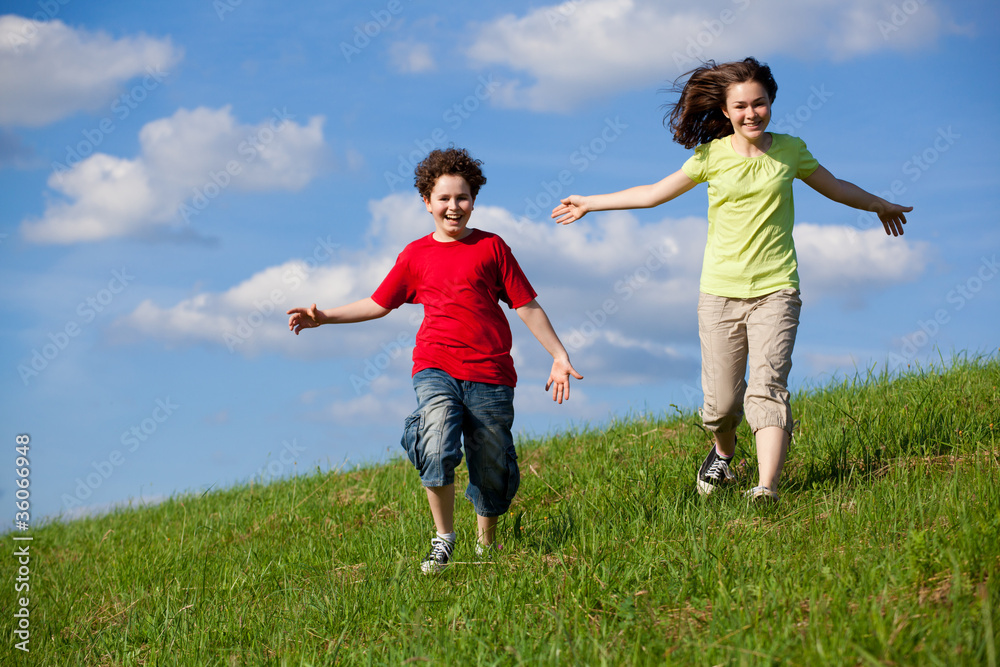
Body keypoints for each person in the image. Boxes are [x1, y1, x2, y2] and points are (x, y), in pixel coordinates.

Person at [551, 57, 911, 504]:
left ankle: (766, 487)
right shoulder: (711, 156)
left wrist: (879, 204)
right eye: (740, 106)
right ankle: (723, 450)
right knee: (720, 406)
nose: (751, 113)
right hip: (719, 293)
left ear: (771, 103)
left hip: (777, 288)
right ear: (725, 111)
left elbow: (835, 186)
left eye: (759, 103)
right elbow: (650, 195)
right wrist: (591, 202)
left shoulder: (790, 150)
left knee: (767, 388)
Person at [289, 147, 582, 572]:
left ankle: (487, 545)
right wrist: (326, 318)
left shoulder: (492, 247)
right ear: (426, 202)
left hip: (491, 372)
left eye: (461, 197)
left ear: (474, 200)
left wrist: (558, 355)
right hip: (435, 366)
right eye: (443, 198)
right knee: (437, 436)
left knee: (491, 460)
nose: (453, 206)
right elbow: (378, 303)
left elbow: (526, 305)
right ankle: (444, 537)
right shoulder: (415, 255)